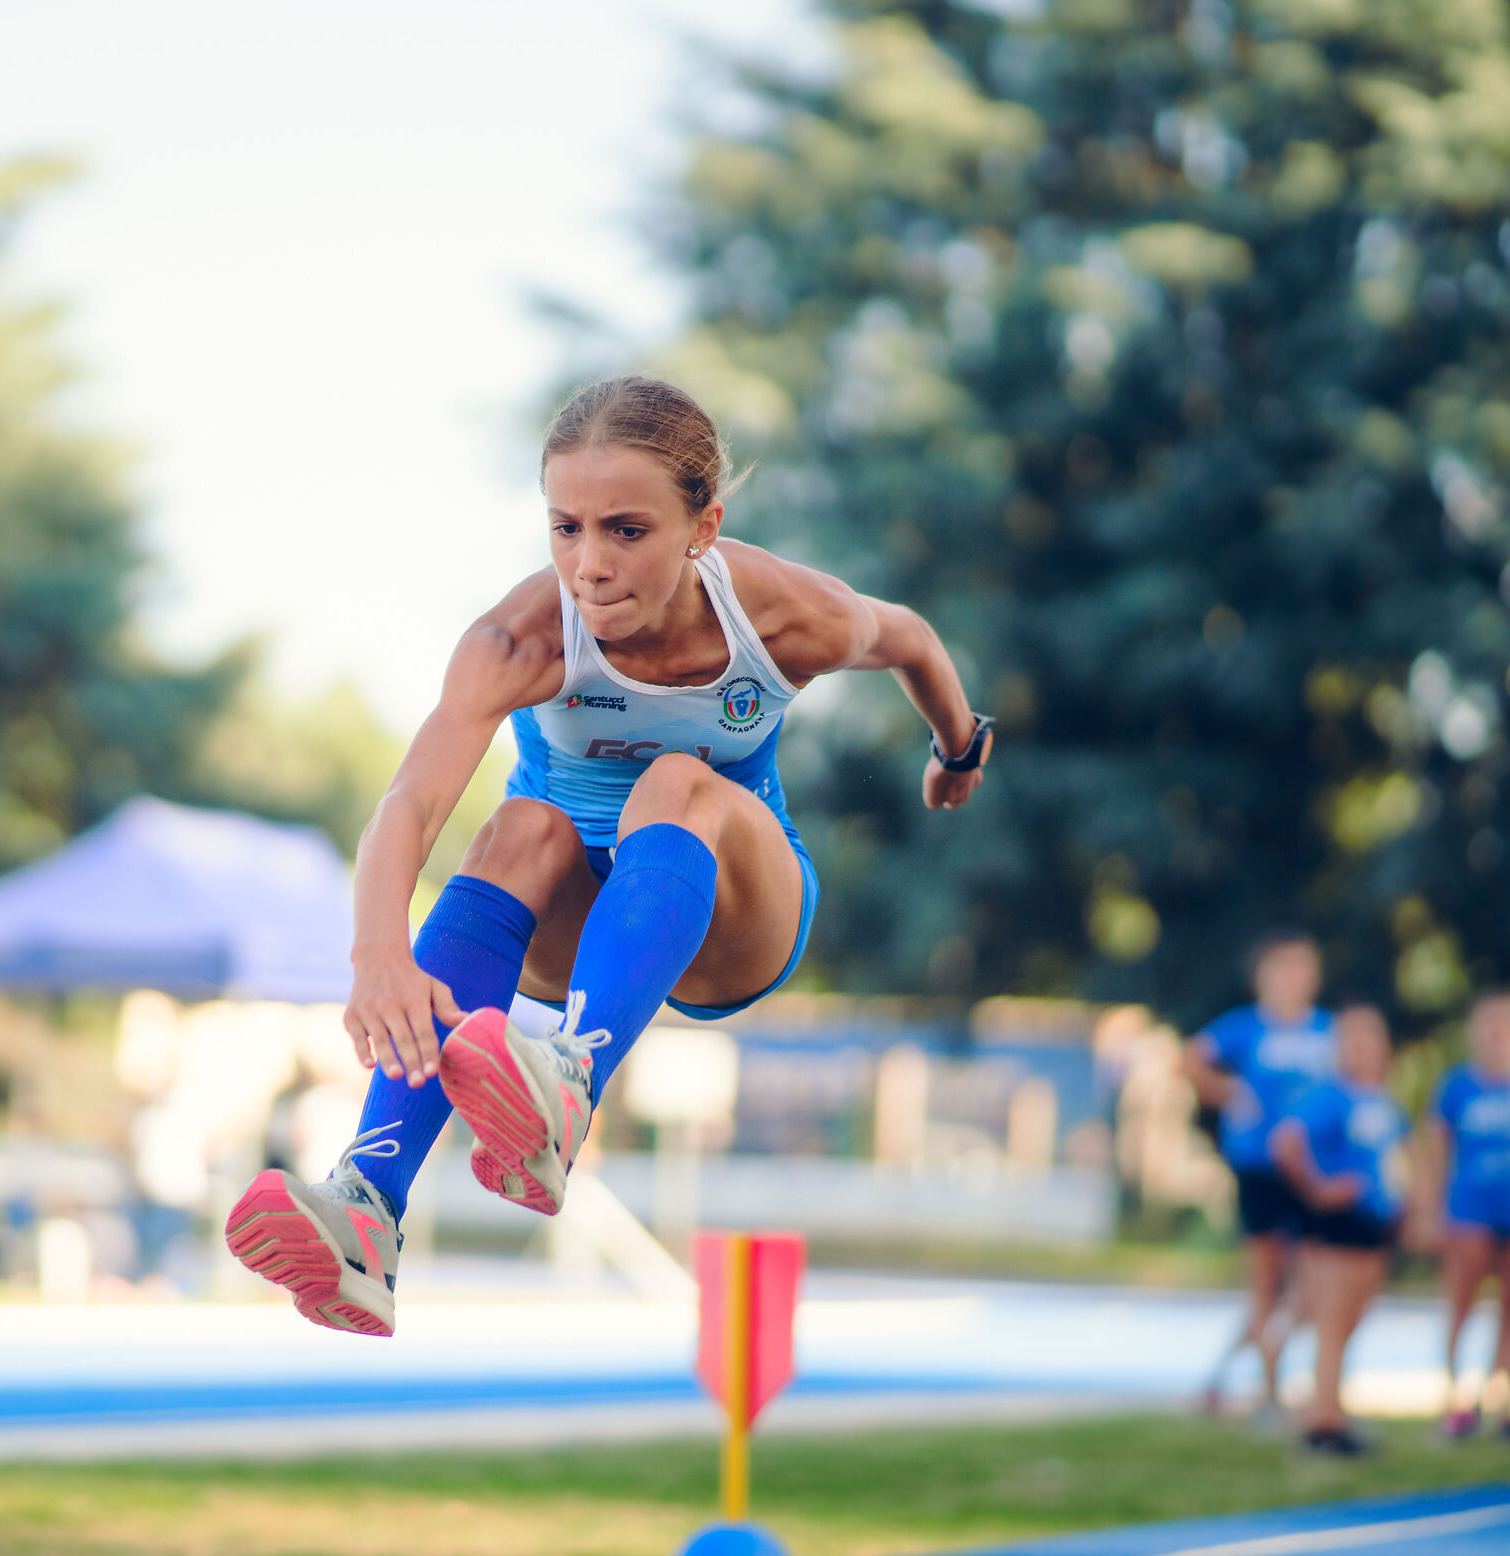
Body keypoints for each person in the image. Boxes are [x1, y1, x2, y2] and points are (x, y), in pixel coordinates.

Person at [223, 375, 993, 1335]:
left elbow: (913, 641)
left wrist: (959, 751)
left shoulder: (785, 615)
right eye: (564, 528)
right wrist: (378, 949)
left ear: (702, 527)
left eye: (626, 530)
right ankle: (368, 1207)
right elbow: (411, 801)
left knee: (674, 779)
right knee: (519, 825)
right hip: (575, 928)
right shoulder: (522, 636)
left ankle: (567, 1081)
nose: (588, 566)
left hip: (733, 917)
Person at [1185, 931, 1336, 1420]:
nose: (1292, 977)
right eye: (1282, 966)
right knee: (1265, 1287)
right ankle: (1268, 1395)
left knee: (1312, 1290)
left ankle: (1226, 1373)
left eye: (1301, 966)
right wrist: (1226, 1090)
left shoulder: (1326, 1030)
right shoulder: (1245, 1027)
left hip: (1312, 1173)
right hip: (1259, 1169)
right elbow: (1188, 1059)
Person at [1267, 1003, 1407, 1456]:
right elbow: (1286, 1142)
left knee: (1350, 1322)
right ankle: (1321, 1421)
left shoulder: (1383, 1100)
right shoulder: (1329, 1095)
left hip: (1374, 1225)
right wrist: (1320, 1188)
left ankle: (1333, 1409)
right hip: (1335, 1225)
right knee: (1330, 1321)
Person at [1426, 992, 1510, 1441]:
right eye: (1490, 1025)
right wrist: (1434, 1209)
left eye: (1507, 1026)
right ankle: (1453, 1402)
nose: (1498, 1035)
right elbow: (1437, 1149)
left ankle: (1505, 1404)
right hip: (1469, 1211)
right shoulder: (1457, 1085)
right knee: (1461, 1306)